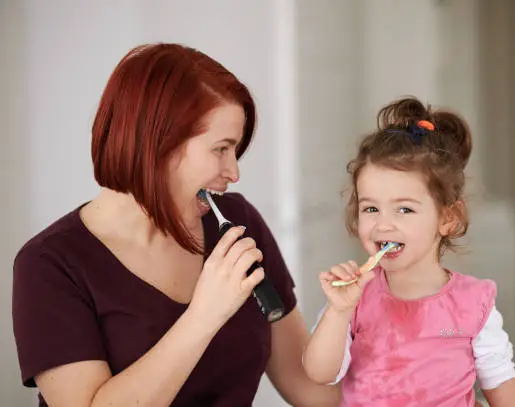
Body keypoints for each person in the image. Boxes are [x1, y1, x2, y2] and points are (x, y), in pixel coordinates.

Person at [12, 43, 340, 407]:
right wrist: (204, 315)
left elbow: (309, 389)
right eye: (220, 149)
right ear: (159, 143)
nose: (233, 172)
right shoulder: (50, 265)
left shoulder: (238, 223)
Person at [302, 96, 515, 406]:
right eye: (371, 208)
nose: (383, 225)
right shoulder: (353, 299)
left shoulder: (473, 303)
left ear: (447, 218)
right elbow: (319, 373)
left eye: (404, 210)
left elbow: (503, 383)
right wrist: (338, 310)